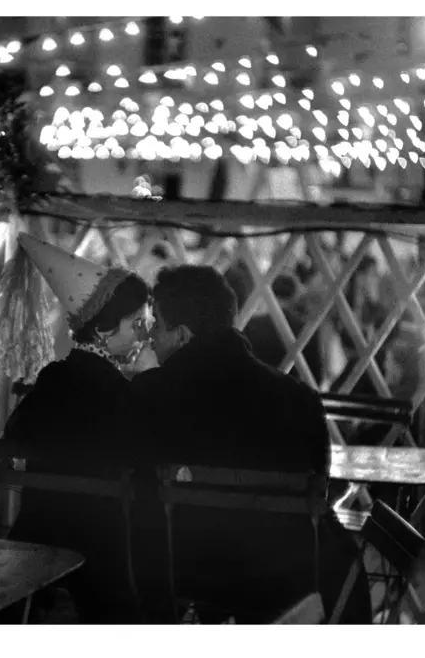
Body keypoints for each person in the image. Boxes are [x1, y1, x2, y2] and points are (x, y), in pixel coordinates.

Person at [130, 265, 371, 623]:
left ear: (182, 335)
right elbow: (318, 491)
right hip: (285, 582)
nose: (150, 338)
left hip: (183, 573)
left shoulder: (148, 396)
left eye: (157, 326)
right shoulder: (300, 400)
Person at [0, 232, 150, 623]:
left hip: (38, 533)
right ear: (105, 332)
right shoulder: (125, 395)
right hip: (105, 545)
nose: (144, 333)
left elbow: (13, 438)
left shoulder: (53, 380)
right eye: (137, 323)